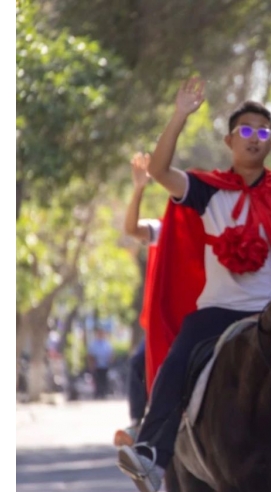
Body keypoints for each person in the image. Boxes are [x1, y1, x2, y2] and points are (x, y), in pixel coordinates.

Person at [115, 77, 271, 492]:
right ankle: (152, 453)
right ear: (230, 140)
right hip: (217, 311)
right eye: (246, 131)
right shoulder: (207, 190)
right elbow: (158, 172)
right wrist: (179, 114)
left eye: (263, 132)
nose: (255, 139)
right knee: (177, 359)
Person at [113, 152, 162, 447]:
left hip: (204, 314)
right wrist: (139, 188)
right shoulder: (164, 228)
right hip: (166, 322)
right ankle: (138, 425)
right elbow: (131, 229)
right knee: (136, 363)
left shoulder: (212, 228)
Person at [87, 329, 114, 400]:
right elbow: (90, 355)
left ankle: (104, 393)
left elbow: (110, 354)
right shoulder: (93, 344)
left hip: (105, 365)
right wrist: (91, 364)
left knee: (104, 379)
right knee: (97, 379)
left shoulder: (107, 344)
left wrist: (110, 361)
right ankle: (97, 393)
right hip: (97, 365)